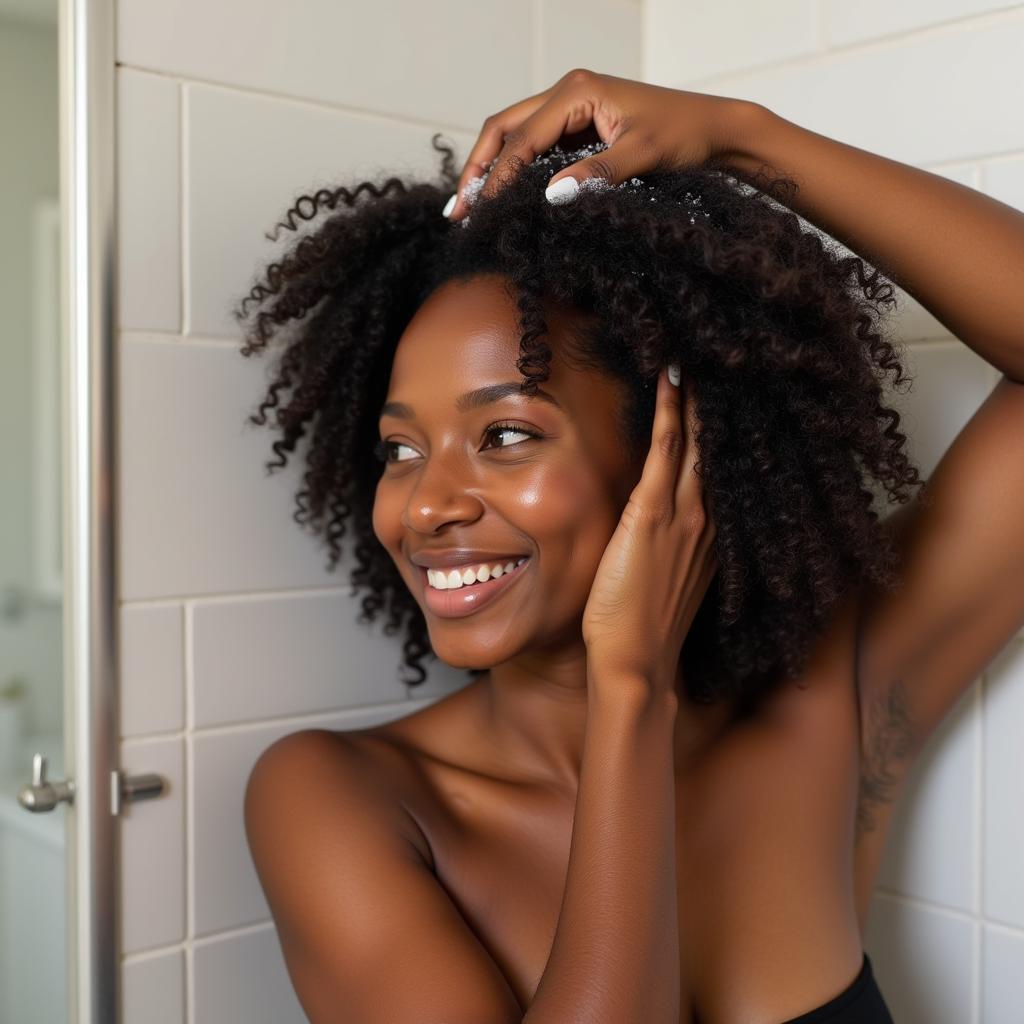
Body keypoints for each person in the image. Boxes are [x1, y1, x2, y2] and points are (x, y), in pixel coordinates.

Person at [238, 70, 1024, 1023]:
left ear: (683, 449)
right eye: (400, 450)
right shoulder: (339, 803)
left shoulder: (830, 699)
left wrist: (741, 137)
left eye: (507, 435)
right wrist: (629, 693)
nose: (424, 507)